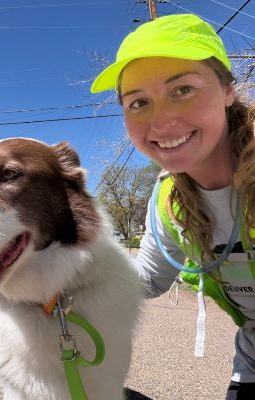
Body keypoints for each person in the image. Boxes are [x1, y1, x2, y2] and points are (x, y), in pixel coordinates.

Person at [91, 13, 255, 400]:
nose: (162, 121)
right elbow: (146, 281)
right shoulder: (169, 200)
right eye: (138, 102)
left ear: (227, 90)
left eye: (182, 89)